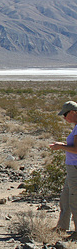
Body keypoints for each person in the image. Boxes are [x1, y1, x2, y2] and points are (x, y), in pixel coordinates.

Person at [51, 101, 77, 236]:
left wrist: (61, 147)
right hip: (72, 168)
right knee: (66, 198)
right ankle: (62, 227)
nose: (64, 118)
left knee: (74, 199)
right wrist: (62, 145)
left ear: (73, 112)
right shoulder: (76, 127)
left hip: (75, 168)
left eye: (65, 115)